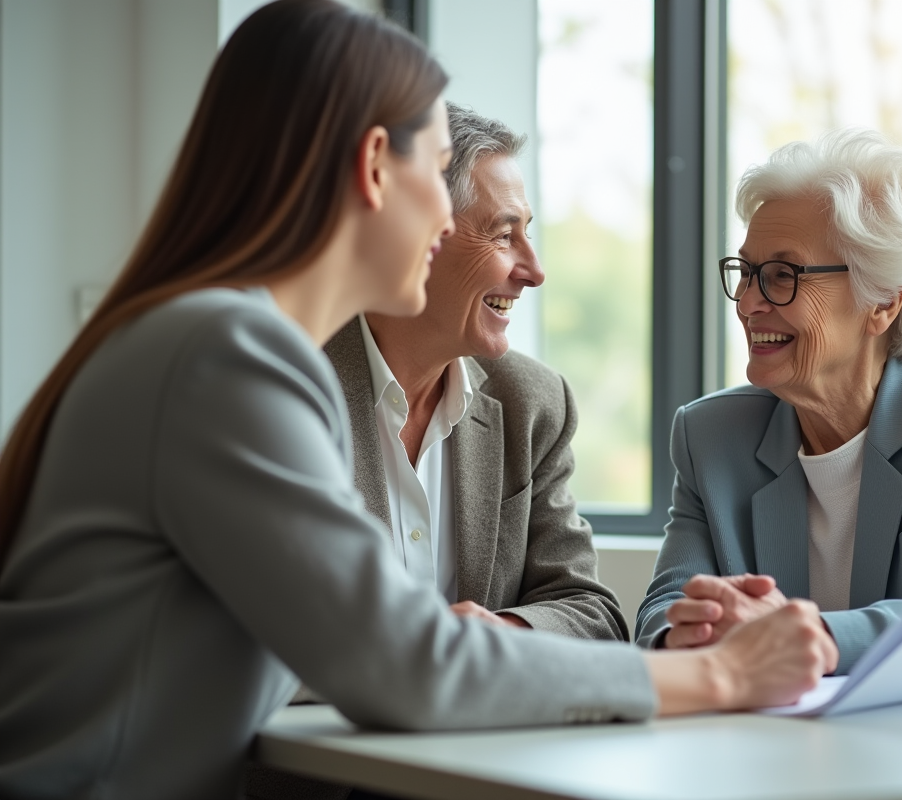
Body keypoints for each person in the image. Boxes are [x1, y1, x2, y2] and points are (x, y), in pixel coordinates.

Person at [0, 3, 836, 798]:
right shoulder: (227, 355)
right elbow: (406, 664)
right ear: (372, 167)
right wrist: (724, 672)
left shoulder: (211, 339)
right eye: (437, 173)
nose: (444, 216)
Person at [634, 129, 902, 689]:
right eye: (746, 272)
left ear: (883, 301)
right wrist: (693, 631)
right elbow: (663, 613)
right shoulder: (710, 436)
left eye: (782, 276)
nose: (747, 304)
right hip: (802, 753)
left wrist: (818, 636)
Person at [322, 103, 623, 640]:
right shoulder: (290, 389)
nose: (534, 271)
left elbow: (592, 614)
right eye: (505, 236)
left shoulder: (533, 403)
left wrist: (496, 636)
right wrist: (426, 652)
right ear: (418, 239)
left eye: (528, 233)